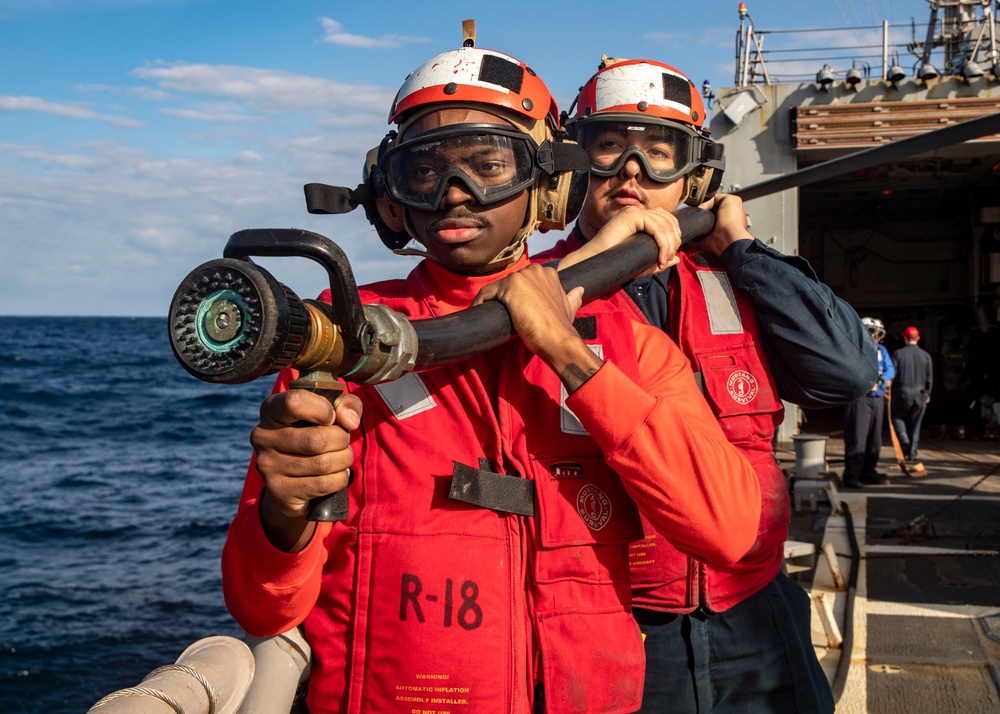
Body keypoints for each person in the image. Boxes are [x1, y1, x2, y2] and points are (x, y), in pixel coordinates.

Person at [220, 37, 764, 714]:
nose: (455, 193)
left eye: (488, 164)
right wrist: (284, 513)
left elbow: (730, 530)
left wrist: (569, 355)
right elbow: (263, 606)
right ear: (392, 195)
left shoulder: (628, 347)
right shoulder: (345, 340)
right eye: (425, 170)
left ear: (549, 181)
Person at [535, 56, 878, 713]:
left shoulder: (736, 281)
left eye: (660, 152)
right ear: (575, 164)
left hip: (755, 610)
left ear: (695, 174)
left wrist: (745, 250)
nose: (633, 170)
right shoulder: (534, 295)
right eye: (609, 147)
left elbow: (849, 372)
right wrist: (593, 262)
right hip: (613, 622)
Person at [842, 317, 895, 488]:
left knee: (874, 440)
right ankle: (851, 474)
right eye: (872, 333)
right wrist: (867, 382)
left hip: (877, 399)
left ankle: (868, 472)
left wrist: (879, 382)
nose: (875, 337)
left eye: (878, 334)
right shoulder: (853, 349)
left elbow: (890, 369)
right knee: (857, 438)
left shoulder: (881, 350)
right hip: (860, 400)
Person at [891, 325, 933, 461]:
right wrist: (928, 393)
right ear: (918, 338)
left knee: (897, 417)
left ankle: (904, 440)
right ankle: (913, 454)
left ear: (905, 338)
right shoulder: (926, 356)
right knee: (915, 425)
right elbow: (929, 378)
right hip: (920, 394)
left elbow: (892, 375)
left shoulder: (898, 354)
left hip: (902, 393)